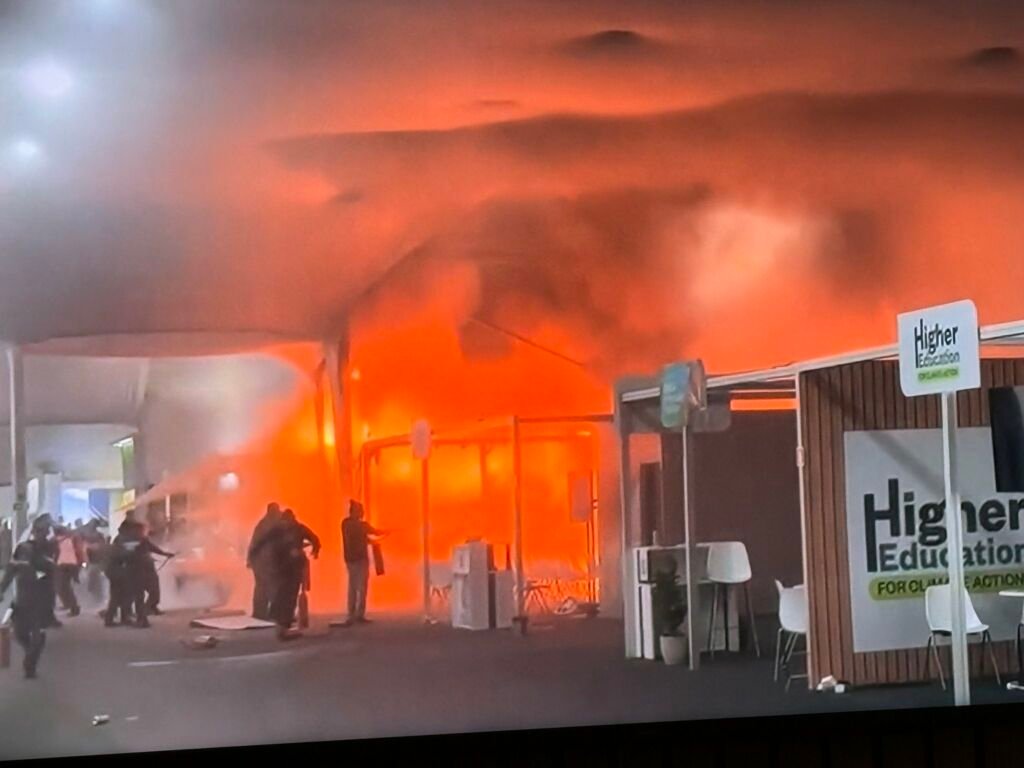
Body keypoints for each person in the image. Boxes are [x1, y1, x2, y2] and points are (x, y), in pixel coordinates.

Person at [0, 517, 57, 678]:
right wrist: (2, 589)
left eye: (44, 531)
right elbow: (11, 570)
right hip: (23, 599)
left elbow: (51, 572)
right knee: (19, 632)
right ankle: (29, 651)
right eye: (39, 531)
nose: (41, 534)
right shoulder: (22, 548)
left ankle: (30, 663)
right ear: (33, 531)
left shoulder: (49, 549)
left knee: (38, 634)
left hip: (42, 599)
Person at [268, 509, 320, 640]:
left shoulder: (283, 530)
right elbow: (314, 539)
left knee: (286, 596)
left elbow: (268, 546)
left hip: (289, 569)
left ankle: (282, 626)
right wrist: (314, 550)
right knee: (286, 597)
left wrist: (314, 550)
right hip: (288, 569)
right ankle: (282, 626)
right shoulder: (293, 529)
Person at [340, 500, 385, 626]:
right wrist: (383, 533)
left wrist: (375, 538)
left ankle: (353, 614)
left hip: (351, 559)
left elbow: (364, 537)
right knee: (360, 587)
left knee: (354, 587)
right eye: (360, 510)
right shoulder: (355, 525)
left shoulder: (347, 524)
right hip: (358, 559)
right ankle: (357, 614)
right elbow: (372, 532)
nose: (362, 513)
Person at [246, 503, 282, 621]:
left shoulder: (265, 524)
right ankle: (261, 613)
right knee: (264, 587)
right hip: (263, 562)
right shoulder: (267, 525)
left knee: (264, 587)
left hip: (262, 562)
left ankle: (262, 613)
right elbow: (258, 543)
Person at [53, 525, 85, 617]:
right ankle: (70, 605)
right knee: (65, 587)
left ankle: (74, 607)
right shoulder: (69, 539)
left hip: (64, 565)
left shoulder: (59, 540)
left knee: (63, 587)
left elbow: (78, 551)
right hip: (70, 564)